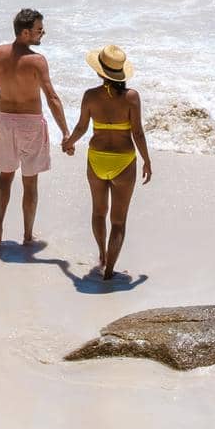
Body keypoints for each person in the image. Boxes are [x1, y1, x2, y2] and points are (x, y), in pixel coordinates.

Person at [62, 44, 152, 279]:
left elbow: (82, 127)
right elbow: (138, 133)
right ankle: (110, 270)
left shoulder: (90, 96)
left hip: (96, 159)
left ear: (100, 71)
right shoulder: (132, 97)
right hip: (124, 160)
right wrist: (147, 161)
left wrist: (69, 142)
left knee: (98, 213)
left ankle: (102, 254)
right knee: (119, 222)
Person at [0, 8, 70, 250]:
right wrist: (65, 132)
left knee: (5, 177)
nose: (43, 34)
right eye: (39, 30)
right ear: (25, 32)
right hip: (30, 124)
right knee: (30, 182)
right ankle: (28, 235)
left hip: (4, 121)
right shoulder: (36, 61)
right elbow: (52, 97)